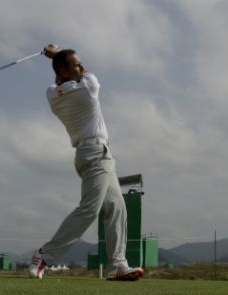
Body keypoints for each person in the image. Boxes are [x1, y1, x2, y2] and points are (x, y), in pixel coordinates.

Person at [27, 44, 145, 281]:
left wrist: (58, 59)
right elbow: (85, 76)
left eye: (80, 63)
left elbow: (64, 82)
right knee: (89, 209)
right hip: (95, 154)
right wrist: (57, 53)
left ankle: (118, 265)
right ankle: (45, 255)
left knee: (116, 207)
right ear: (63, 71)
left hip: (91, 154)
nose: (81, 66)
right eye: (76, 64)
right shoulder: (89, 87)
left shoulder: (52, 94)